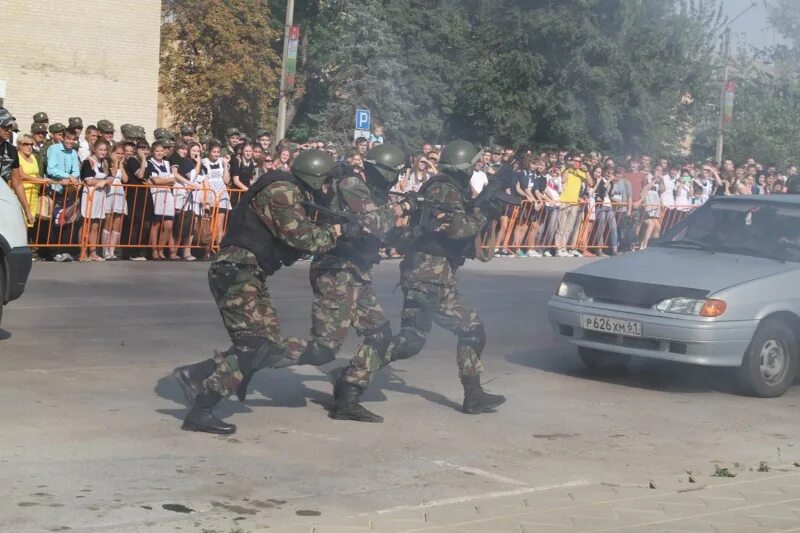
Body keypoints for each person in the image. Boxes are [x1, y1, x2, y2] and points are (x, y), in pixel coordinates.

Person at [173, 149, 343, 435]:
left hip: (248, 272)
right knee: (253, 345)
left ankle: (197, 373)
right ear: (315, 177)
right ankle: (202, 408)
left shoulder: (287, 188)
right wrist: (335, 232)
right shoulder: (282, 191)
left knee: (269, 345)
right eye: (325, 181)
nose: (326, 188)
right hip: (237, 271)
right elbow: (302, 238)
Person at [275, 145, 411, 423]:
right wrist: (404, 207)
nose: (397, 178)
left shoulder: (372, 191)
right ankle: (243, 359)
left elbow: (383, 232)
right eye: (396, 173)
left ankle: (348, 396)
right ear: (387, 172)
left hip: (355, 272)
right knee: (323, 348)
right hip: (337, 270)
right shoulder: (352, 184)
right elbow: (375, 222)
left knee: (380, 335)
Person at [378, 140, 506, 417]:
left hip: (434, 273)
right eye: (474, 165)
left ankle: (474, 395)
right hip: (429, 273)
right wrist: (485, 213)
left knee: (438, 336)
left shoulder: (450, 188)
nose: (476, 169)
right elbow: (457, 229)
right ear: (466, 166)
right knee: (442, 334)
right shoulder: (444, 189)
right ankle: (357, 372)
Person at [80, 140, 113, 261]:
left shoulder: (104, 162)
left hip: (101, 195)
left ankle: (93, 252)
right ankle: (83, 251)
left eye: (105, 150)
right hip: (90, 194)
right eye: (101, 150)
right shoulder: (88, 162)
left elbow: (110, 178)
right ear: (95, 149)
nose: (103, 152)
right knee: (87, 223)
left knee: (96, 224)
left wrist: (104, 182)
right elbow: (88, 180)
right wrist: (102, 182)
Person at [144, 141, 177, 260]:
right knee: (156, 224)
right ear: (153, 152)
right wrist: (168, 180)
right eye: (157, 151)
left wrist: (164, 180)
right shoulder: (150, 163)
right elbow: (156, 181)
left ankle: (161, 248)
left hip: (167, 194)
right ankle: (154, 250)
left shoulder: (167, 163)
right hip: (156, 194)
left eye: (161, 151)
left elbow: (173, 179)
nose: (159, 153)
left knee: (168, 225)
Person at [202, 142, 232, 256]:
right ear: (209, 152)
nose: (216, 154)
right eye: (213, 152)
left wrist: (225, 165)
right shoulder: (204, 162)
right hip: (210, 193)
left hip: (222, 193)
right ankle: (207, 249)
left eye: (218, 152)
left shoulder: (222, 162)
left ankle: (218, 248)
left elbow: (226, 180)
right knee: (209, 223)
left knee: (219, 224)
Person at [103, 143, 128, 260]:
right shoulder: (108, 163)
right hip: (110, 193)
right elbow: (112, 175)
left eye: (122, 154)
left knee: (117, 224)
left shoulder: (122, 165)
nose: (120, 155)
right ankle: (105, 250)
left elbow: (125, 179)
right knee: (108, 222)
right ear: (112, 153)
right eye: (117, 153)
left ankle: (112, 250)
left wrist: (121, 165)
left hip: (119, 193)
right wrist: (116, 163)